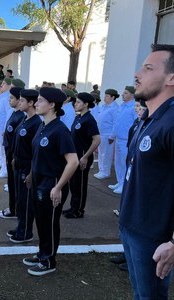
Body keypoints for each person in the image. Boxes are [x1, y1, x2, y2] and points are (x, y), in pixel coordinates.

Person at [120, 44, 174, 299]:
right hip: (131, 225)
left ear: (171, 78)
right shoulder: (148, 118)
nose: (137, 73)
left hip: (154, 236)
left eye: (148, 68)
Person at [23, 87, 78, 276]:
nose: (36, 103)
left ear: (52, 105)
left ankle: (49, 261)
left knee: (50, 223)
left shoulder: (60, 130)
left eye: (40, 100)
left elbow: (73, 161)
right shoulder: (43, 125)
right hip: (39, 180)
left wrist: (58, 187)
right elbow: (37, 154)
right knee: (41, 221)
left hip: (52, 182)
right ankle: (42, 253)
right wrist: (31, 174)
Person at [9, 89, 42, 243]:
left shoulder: (36, 123)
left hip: (27, 167)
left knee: (26, 201)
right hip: (19, 164)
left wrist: (31, 173)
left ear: (31, 103)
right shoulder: (25, 119)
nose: (19, 102)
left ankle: (26, 232)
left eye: (22, 100)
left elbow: (36, 151)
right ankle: (20, 226)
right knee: (19, 200)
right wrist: (15, 158)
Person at [64, 92, 100, 219]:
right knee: (73, 183)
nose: (75, 103)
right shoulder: (78, 117)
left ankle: (78, 210)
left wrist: (85, 157)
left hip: (83, 157)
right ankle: (73, 206)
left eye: (79, 102)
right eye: (76, 101)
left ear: (86, 104)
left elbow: (97, 139)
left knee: (80, 184)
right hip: (75, 157)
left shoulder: (89, 120)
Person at [0, 86, 25, 219]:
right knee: (11, 182)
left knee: (14, 184)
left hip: (13, 154)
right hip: (9, 152)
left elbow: (18, 139)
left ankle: (14, 210)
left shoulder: (20, 116)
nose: (9, 100)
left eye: (11, 98)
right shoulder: (15, 113)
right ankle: (12, 207)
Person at [108, 86, 138, 194]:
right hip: (119, 138)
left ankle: (124, 184)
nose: (122, 94)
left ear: (132, 95)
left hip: (127, 139)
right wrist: (112, 136)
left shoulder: (134, 106)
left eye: (125, 93)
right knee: (118, 162)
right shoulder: (122, 106)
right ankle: (119, 181)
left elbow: (136, 123)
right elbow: (116, 123)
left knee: (125, 162)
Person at [94, 89, 119, 180]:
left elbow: (115, 123)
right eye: (105, 96)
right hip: (100, 133)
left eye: (107, 96)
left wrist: (112, 136)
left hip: (107, 134)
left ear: (113, 97)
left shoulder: (115, 108)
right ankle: (101, 170)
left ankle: (105, 172)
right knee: (101, 153)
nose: (104, 98)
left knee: (106, 154)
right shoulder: (103, 107)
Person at [0, 78, 14, 178]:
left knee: (4, 148)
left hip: (3, 126)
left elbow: (8, 114)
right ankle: (2, 165)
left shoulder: (7, 97)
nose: (2, 85)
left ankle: (5, 169)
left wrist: (6, 127)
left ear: (10, 86)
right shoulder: (3, 96)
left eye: (4, 84)